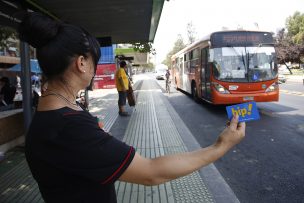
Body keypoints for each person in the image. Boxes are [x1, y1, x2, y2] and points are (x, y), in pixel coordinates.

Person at [18, 12, 246, 203]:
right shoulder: (69, 126)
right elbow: (152, 172)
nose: (94, 69)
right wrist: (220, 146)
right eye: (94, 62)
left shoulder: (48, 116)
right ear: (81, 63)